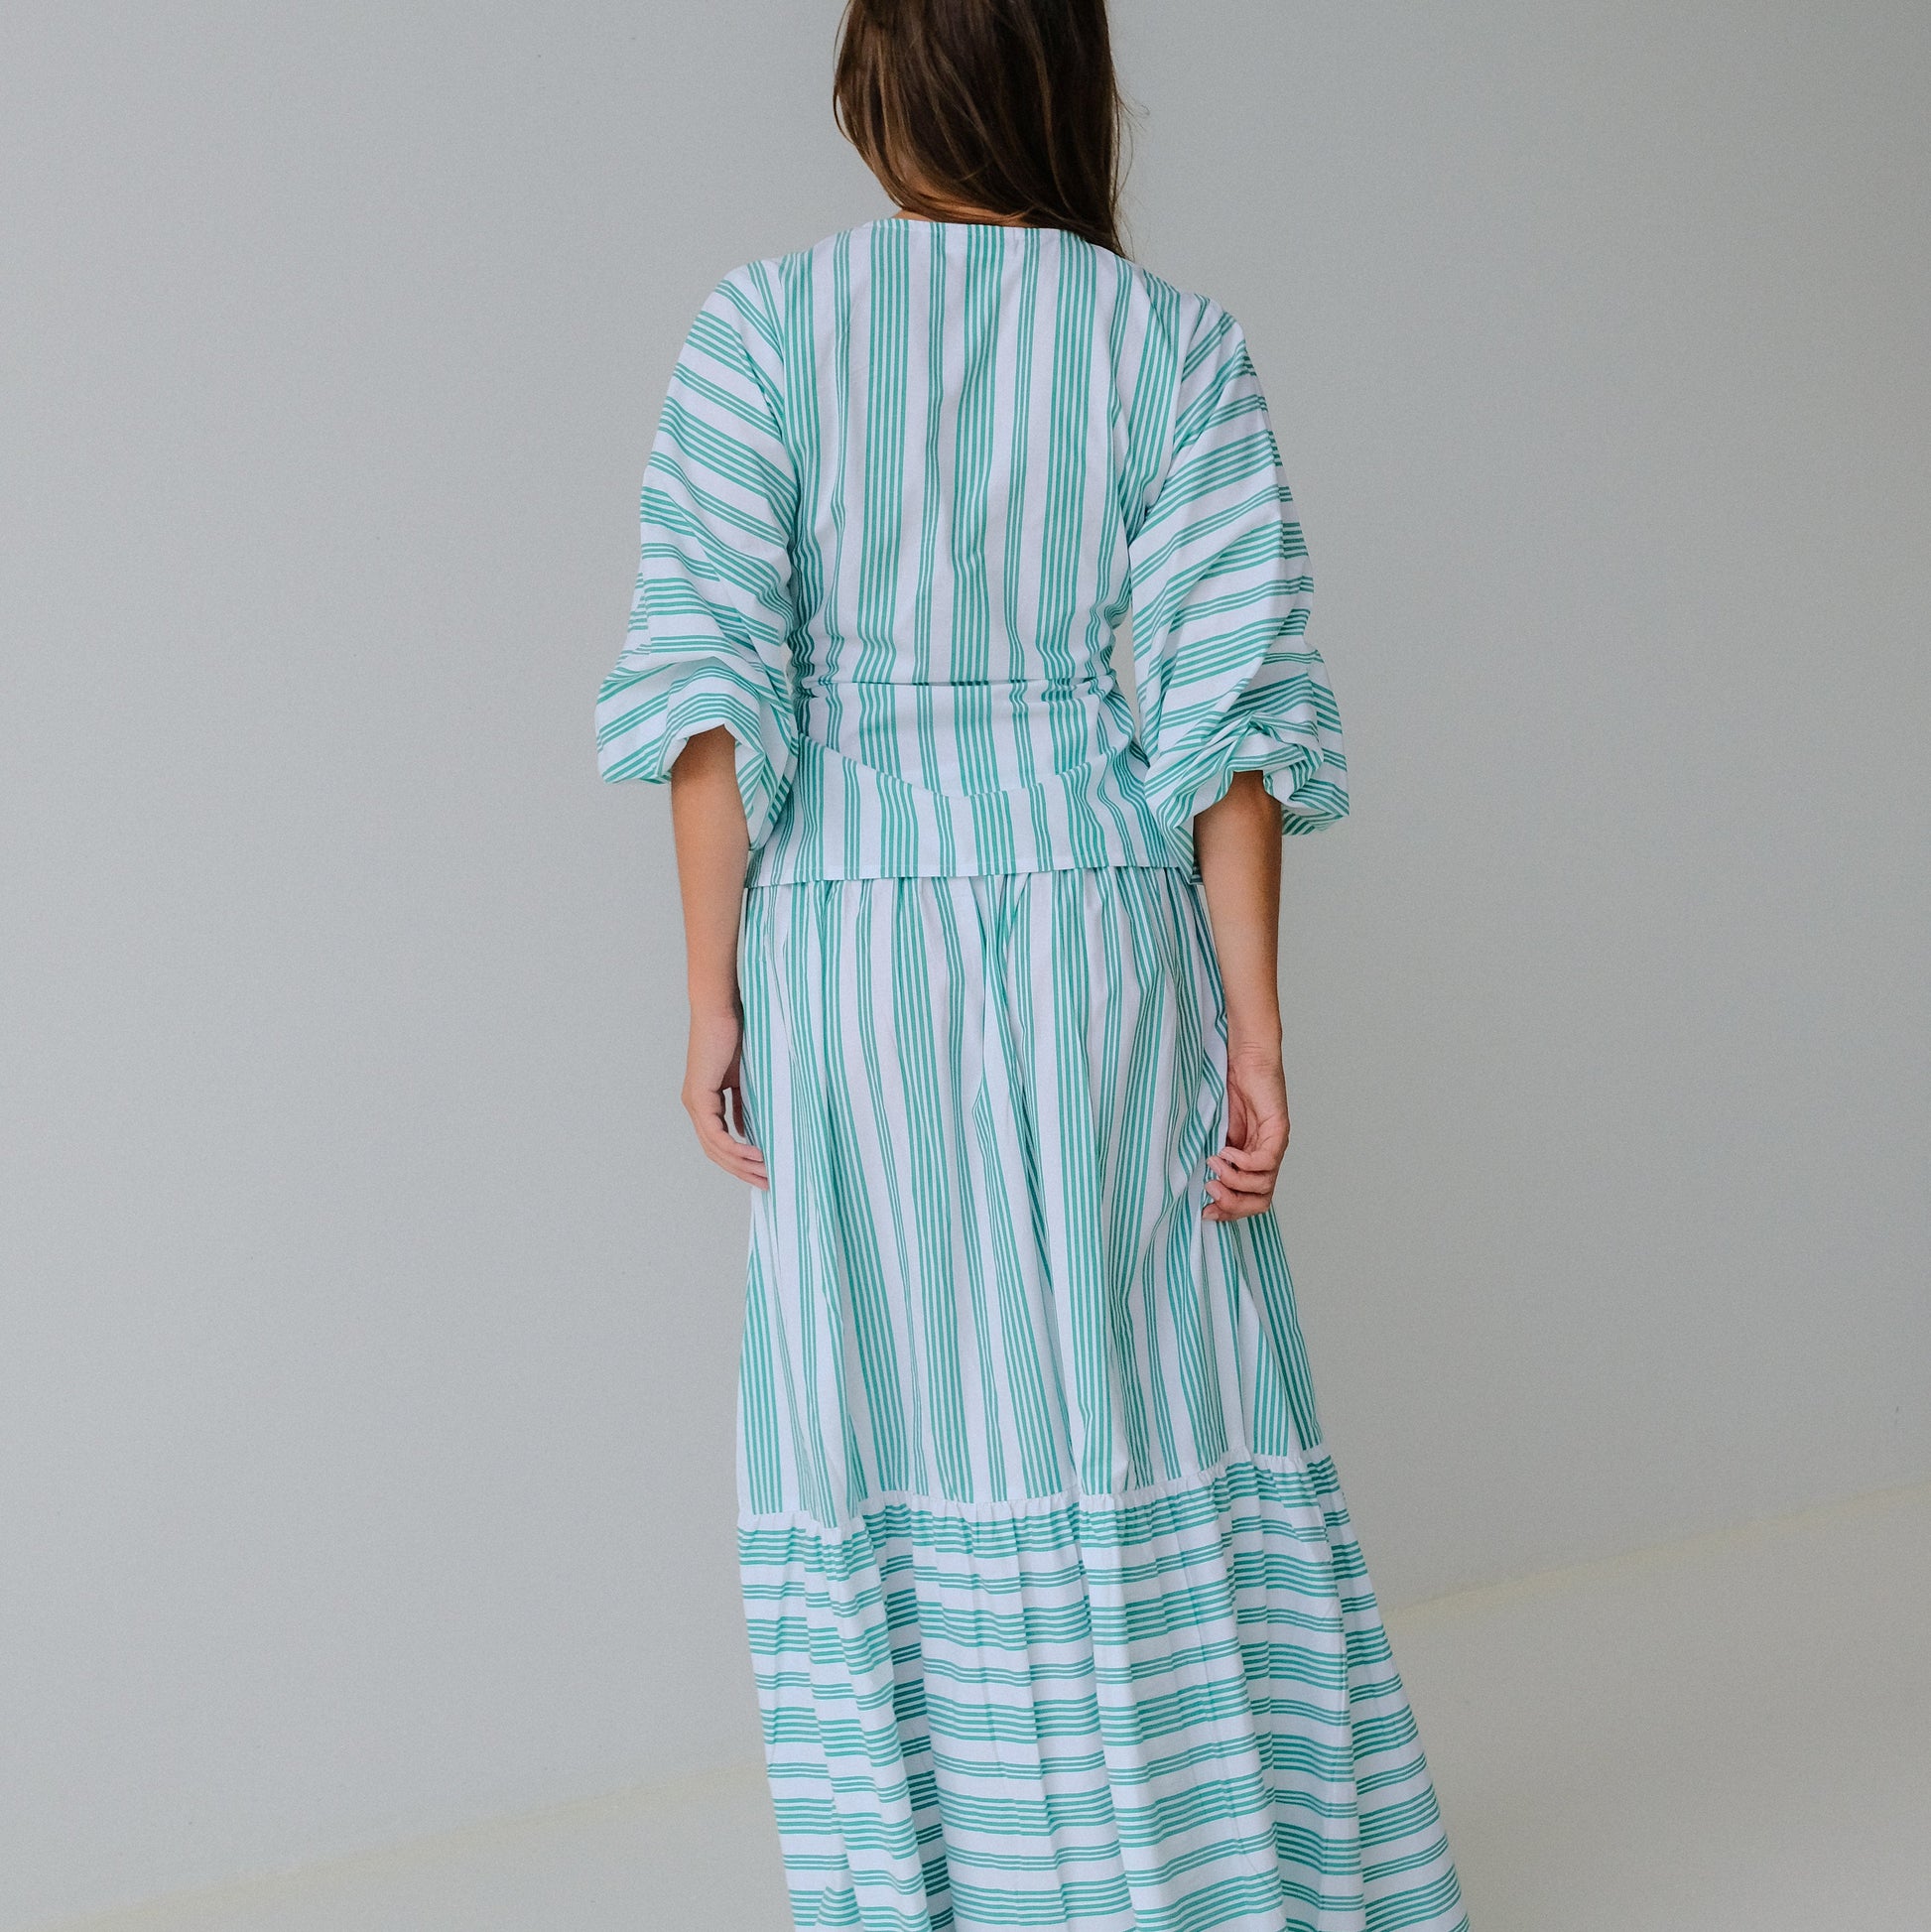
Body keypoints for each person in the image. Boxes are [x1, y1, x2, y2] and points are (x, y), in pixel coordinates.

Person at [595, 3, 1470, 1926]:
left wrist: (711, 987)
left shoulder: (763, 327)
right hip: (1100, 920)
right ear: (1069, 89)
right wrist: (1254, 1027)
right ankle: (1211, 1881)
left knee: (898, 1420)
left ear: (871, 89)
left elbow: (711, 694)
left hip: (849, 931)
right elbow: (1227, 718)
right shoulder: (1169, 344)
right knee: (1140, 1390)